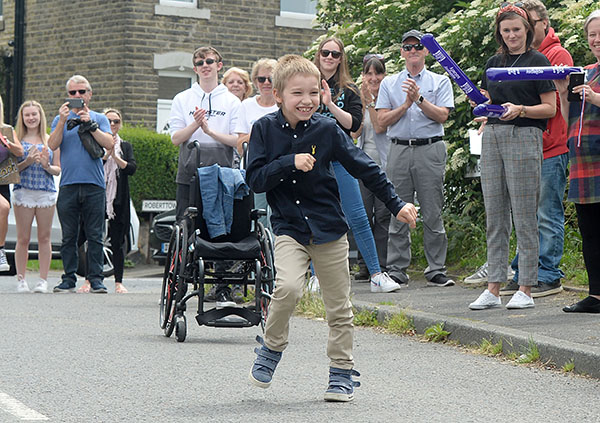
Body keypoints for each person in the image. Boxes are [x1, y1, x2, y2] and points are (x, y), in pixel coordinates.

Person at [246, 54, 417, 402]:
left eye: (313, 93)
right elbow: (255, 180)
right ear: (278, 94)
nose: (306, 101)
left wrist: (397, 204)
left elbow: (365, 167)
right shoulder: (263, 129)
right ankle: (271, 346)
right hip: (290, 229)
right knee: (288, 288)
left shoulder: (327, 129)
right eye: (297, 94)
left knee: (338, 308)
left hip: (328, 229)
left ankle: (341, 373)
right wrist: (288, 162)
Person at [466, 0, 573, 300]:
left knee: (525, 215)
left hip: (525, 135)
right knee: (495, 215)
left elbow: (550, 108)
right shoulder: (492, 63)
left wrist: (522, 110)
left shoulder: (538, 60)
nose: (512, 35)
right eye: (506, 30)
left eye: (517, 29)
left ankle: (526, 286)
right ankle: (494, 287)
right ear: (499, 34)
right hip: (493, 136)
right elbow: (492, 103)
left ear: (527, 30)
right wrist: (482, 104)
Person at [313, 36, 401, 293]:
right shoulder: (306, 83)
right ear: (318, 55)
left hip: (340, 159)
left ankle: (376, 274)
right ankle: (315, 276)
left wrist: (329, 104)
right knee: (315, 216)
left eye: (335, 54)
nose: (329, 58)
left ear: (341, 59)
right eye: (326, 53)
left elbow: (353, 126)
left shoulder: (349, 89)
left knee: (358, 217)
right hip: (312, 160)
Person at [377, 29, 455, 288]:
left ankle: (436, 268)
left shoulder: (439, 81)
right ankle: (398, 267)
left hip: (429, 148)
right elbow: (382, 120)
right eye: (407, 46)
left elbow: (442, 116)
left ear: (425, 51)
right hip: (398, 148)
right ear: (402, 52)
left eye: (417, 46)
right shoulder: (389, 83)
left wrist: (419, 99)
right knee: (397, 207)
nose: (412, 51)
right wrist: (406, 105)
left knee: (433, 208)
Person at [169, 46, 240, 307]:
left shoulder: (231, 101)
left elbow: (237, 139)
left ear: (219, 65)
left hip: (222, 172)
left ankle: (222, 284)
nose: (205, 65)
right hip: (189, 172)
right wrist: (196, 125)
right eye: (200, 62)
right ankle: (179, 282)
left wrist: (209, 131)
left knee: (222, 227)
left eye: (210, 61)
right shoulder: (183, 98)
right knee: (184, 225)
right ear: (195, 67)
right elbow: (176, 137)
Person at [49, 75, 114, 294]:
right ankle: (68, 278)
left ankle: (96, 278)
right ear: (68, 96)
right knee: (69, 235)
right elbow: (52, 144)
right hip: (68, 184)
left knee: (95, 235)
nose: (78, 96)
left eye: (82, 92)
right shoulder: (61, 119)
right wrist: (61, 120)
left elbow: (109, 144)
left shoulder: (99, 117)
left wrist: (90, 124)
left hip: (94, 184)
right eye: (73, 93)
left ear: (90, 94)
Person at [556, 10, 600, 313]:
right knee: (590, 233)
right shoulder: (585, 71)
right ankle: (596, 295)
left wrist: (595, 97)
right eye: (592, 35)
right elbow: (567, 115)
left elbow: (592, 102)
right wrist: (562, 92)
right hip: (583, 163)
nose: (596, 40)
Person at [76, 109, 136, 294]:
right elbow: (90, 164)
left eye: (116, 121)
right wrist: (105, 156)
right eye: (108, 121)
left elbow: (132, 168)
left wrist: (115, 157)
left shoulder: (125, 146)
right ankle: (88, 279)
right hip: (96, 196)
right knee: (89, 237)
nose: (112, 125)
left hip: (118, 198)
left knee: (117, 241)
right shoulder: (94, 142)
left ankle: (118, 281)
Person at [13, 100, 60, 293]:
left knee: (44, 237)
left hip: (45, 192)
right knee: (23, 238)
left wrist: (46, 166)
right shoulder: (16, 141)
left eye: (34, 114)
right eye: (27, 115)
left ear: (40, 116)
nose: (31, 118)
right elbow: (10, 170)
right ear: (22, 118)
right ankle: (21, 279)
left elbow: (58, 169)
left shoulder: (51, 141)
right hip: (23, 190)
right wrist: (27, 161)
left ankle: (43, 280)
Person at [353, 54, 392, 281]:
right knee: (364, 216)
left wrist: (371, 102)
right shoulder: (358, 99)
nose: (373, 78)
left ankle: (382, 264)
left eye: (378, 73)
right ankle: (364, 264)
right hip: (364, 165)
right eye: (369, 73)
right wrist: (363, 102)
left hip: (386, 164)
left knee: (384, 215)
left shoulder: (389, 97)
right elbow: (355, 132)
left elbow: (379, 128)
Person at [0, 95, 24, 273]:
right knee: (3, 207)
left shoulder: (6, 130)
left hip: (2, 181)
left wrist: (7, 144)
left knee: (3, 209)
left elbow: (20, 152)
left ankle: (0, 249)